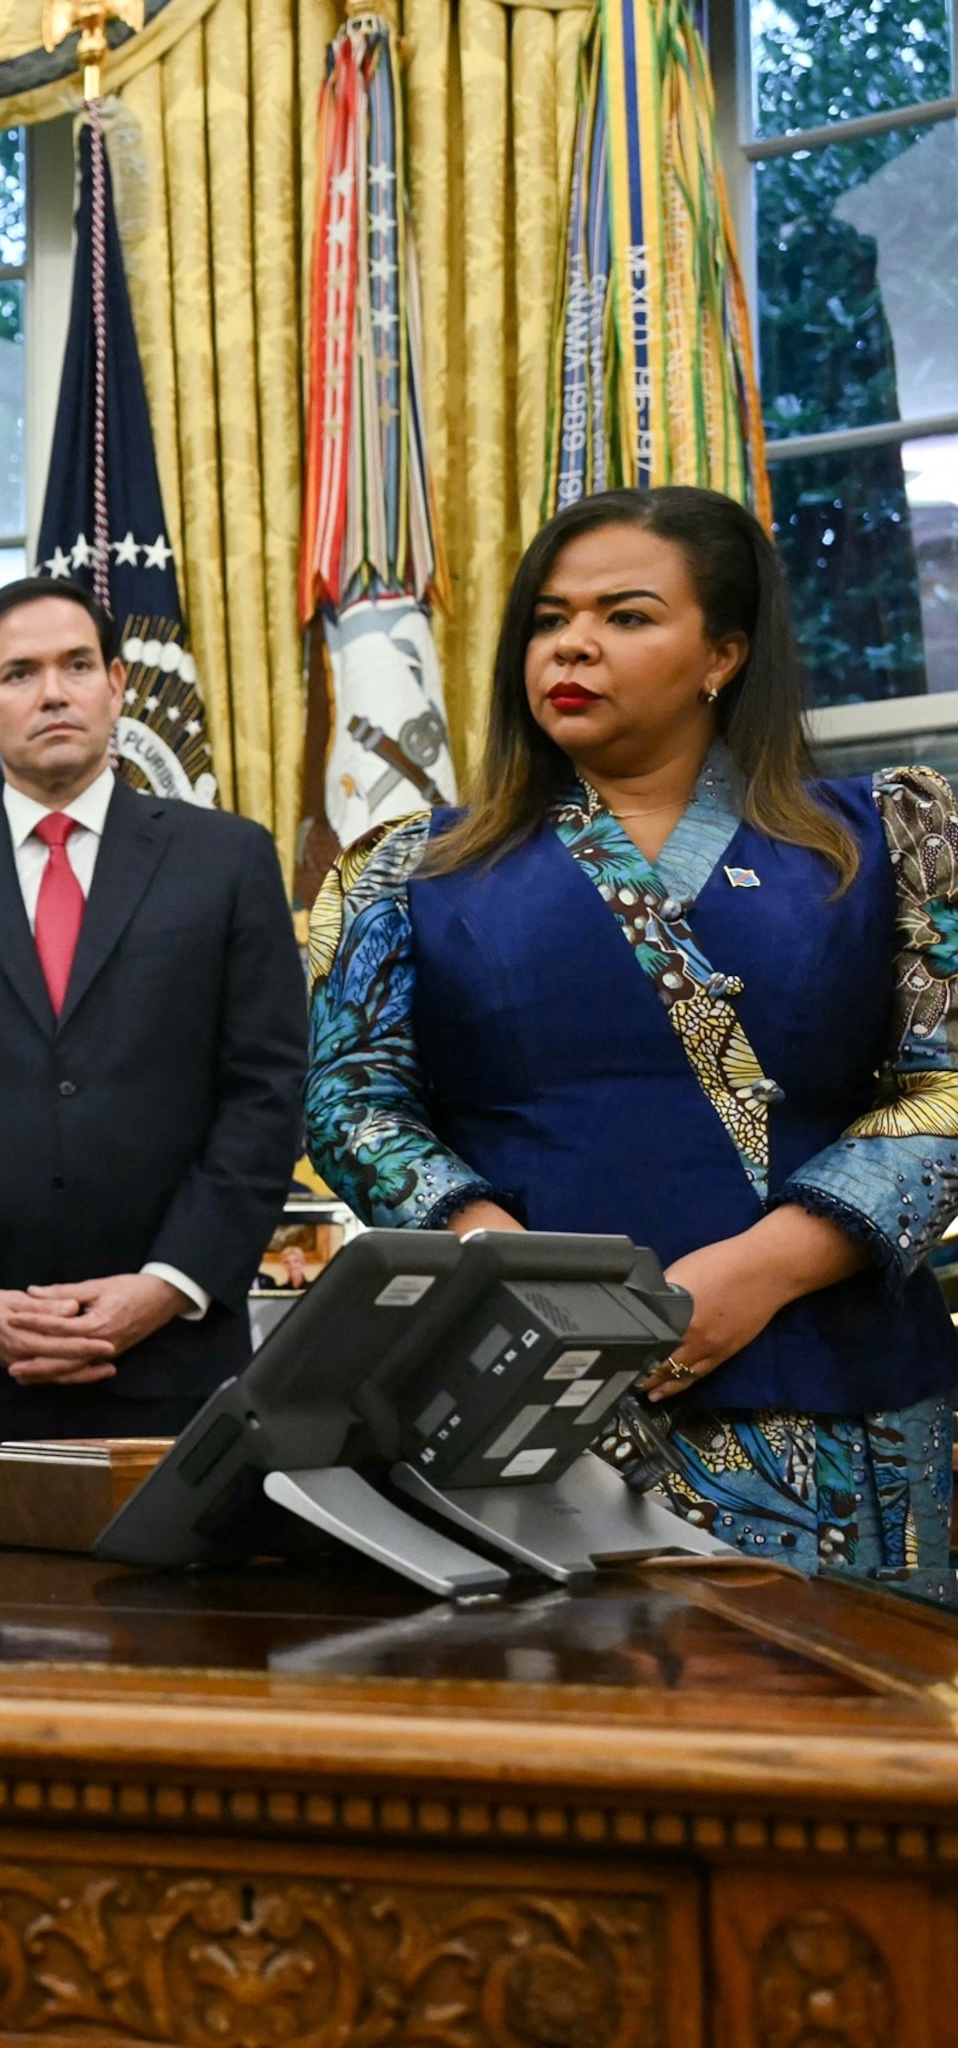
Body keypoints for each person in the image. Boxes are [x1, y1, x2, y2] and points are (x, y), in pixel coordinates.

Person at [306, 486, 958, 1607]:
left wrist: (755, 1272)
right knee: (557, 1764)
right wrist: (501, 1262)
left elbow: (944, 1090)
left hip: (846, 1408)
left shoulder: (891, 837)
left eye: (626, 614)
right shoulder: (405, 866)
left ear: (725, 651)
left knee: (844, 1762)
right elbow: (355, 1099)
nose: (573, 643)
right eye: (550, 617)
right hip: (521, 1406)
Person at [0, 577, 306, 1480]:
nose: (53, 692)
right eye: (20, 674)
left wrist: (166, 1287)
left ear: (117, 687)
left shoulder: (227, 860)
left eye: (76, 666)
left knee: (180, 1622)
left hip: (172, 1361)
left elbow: (264, 1096)